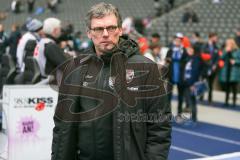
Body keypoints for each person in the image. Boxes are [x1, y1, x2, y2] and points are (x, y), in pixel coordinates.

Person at [51, 2, 171, 160]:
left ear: (120, 30)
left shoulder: (146, 69)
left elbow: (159, 128)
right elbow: (62, 127)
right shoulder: (74, 70)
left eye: (111, 28)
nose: (105, 34)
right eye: (99, 29)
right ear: (89, 33)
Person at [165, 33, 188, 119]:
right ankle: (168, 113)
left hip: (180, 75)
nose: (177, 42)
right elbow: (166, 60)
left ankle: (179, 113)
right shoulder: (170, 50)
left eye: (179, 41)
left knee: (180, 96)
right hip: (171, 74)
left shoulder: (184, 50)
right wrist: (168, 60)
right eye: (176, 40)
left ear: (181, 41)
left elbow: (187, 61)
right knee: (168, 96)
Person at [219, 39, 240, 107]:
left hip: (234, 71)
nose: (227, 45)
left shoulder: (237, 51)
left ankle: (234, 102)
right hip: (227, 71)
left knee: (234, 88)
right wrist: (226, 51)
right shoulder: (225, 50)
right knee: (227, 88)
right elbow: (221, 58)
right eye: (227, 43)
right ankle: (226, 102)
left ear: (232, 44)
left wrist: (235, 62)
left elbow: (238, 60)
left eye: (229, 43)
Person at [201, 32, 219, 103]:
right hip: (205, 67)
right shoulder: (204, 46)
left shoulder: (216, 47)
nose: (216, 39)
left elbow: (218, 57)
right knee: (203, 82)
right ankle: (201, 96)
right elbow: (202, 56)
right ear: (211, 37)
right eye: (215, 37)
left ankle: (210, 98)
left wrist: (215, 65)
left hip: (212, 68)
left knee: (211, 84)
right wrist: (207, 64)